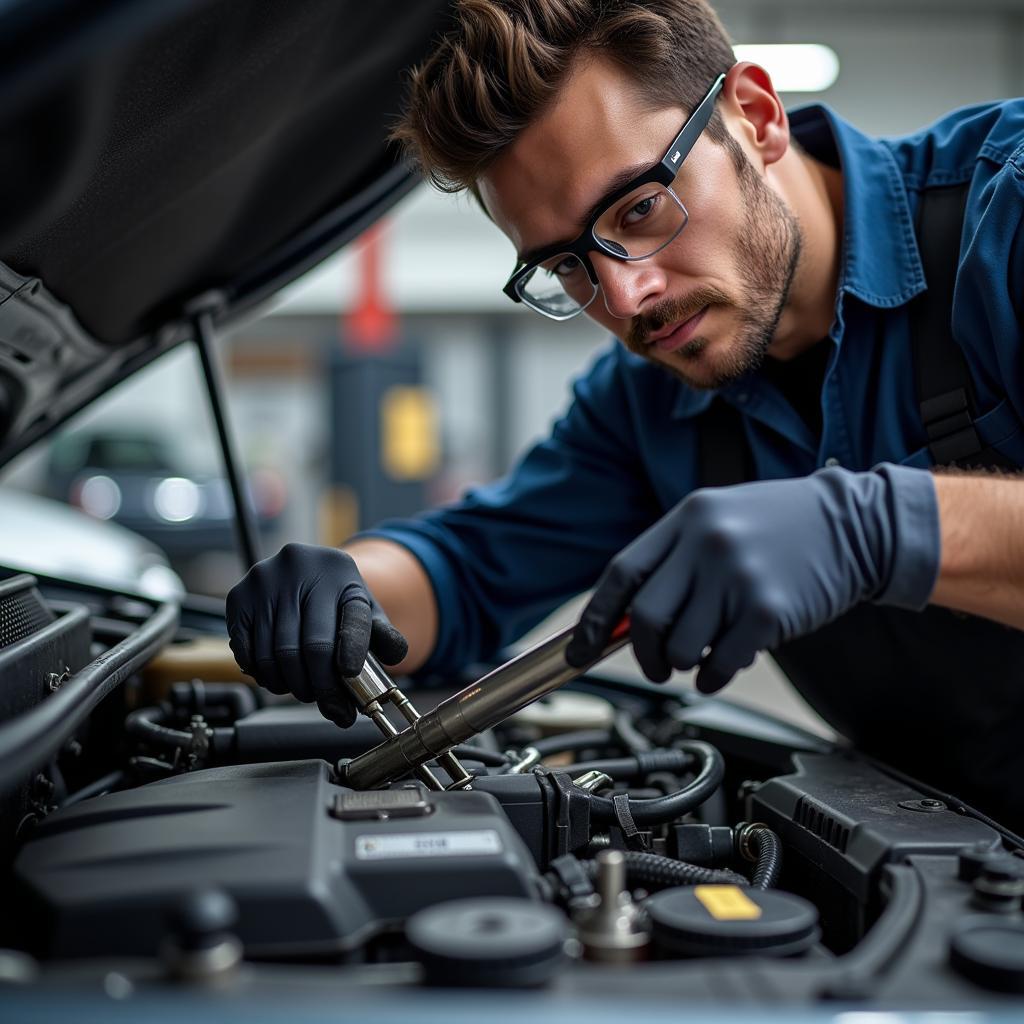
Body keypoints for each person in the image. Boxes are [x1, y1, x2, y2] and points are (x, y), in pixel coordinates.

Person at [227, 0, 1024, 826]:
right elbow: (466, 573)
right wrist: (345, 592)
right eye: (567, 265)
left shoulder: (1009, 212)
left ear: (754, 115)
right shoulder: (650, 402)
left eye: (638, 208)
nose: (624, 296)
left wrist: (875, 531)